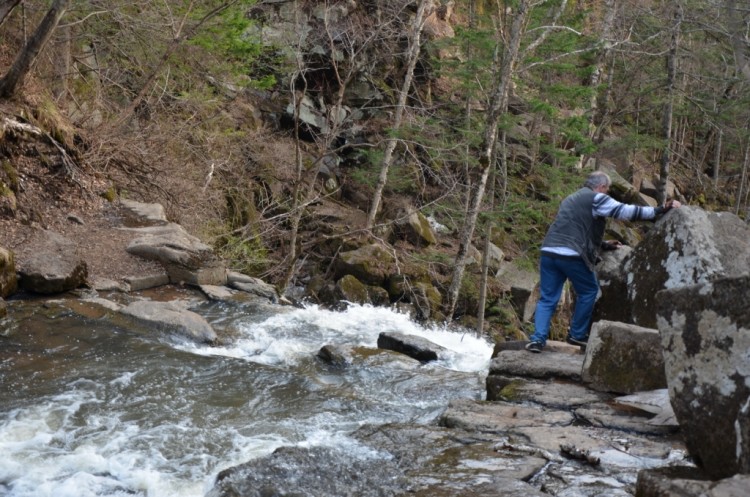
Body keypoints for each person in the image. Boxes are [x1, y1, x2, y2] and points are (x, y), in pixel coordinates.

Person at [525, 170, 681, 353]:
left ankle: (537, 340)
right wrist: (659, 210)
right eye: (607, 190)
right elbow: (624, 211)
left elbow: (576, 227)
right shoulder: (596, 198)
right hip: (572, 254)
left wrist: (603, 244)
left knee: (547, 299)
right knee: (589, 290)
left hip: (549, 251)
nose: (607, 194)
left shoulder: (570, 198)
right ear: (601, 187)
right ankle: (576, 334)